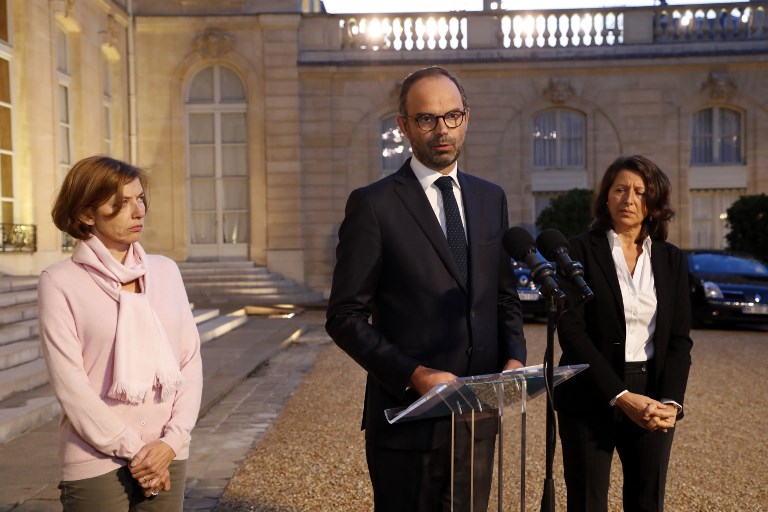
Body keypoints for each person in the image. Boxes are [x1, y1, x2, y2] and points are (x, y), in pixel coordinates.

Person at [325, 66, 527, 511]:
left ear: (466, 117)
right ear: (404, 126)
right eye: (426, 119)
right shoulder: (373, 204)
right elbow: (344, 317)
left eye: (452, 116)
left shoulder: (490, 197)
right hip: (407, 424)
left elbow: (503, 296)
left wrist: (514, 356)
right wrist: (414, 374)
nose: (442, 130)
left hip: (477, 417)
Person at [38, 155, 203, 511]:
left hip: (167, 452)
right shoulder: (60, 282)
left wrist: (171, 442)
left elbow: (189, 360)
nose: (139, 211)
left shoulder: (166, 271)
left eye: (140, 198)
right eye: (122, 203)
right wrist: (139, 452)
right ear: (86, 214)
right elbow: (71, 386)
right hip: (96, 459)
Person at [555, 155, 693, 512]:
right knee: (587, 503)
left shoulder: (671, 259)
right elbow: (571, 331)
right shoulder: (577, 250)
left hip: (652, 393)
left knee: (647, 502)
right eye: (619, 190)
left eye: (639, 192)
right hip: (589, 390)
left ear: (654, 202)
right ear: (606, 197)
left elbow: (679, 341)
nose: (628, 199)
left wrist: (671, 403)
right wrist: (619, 395)